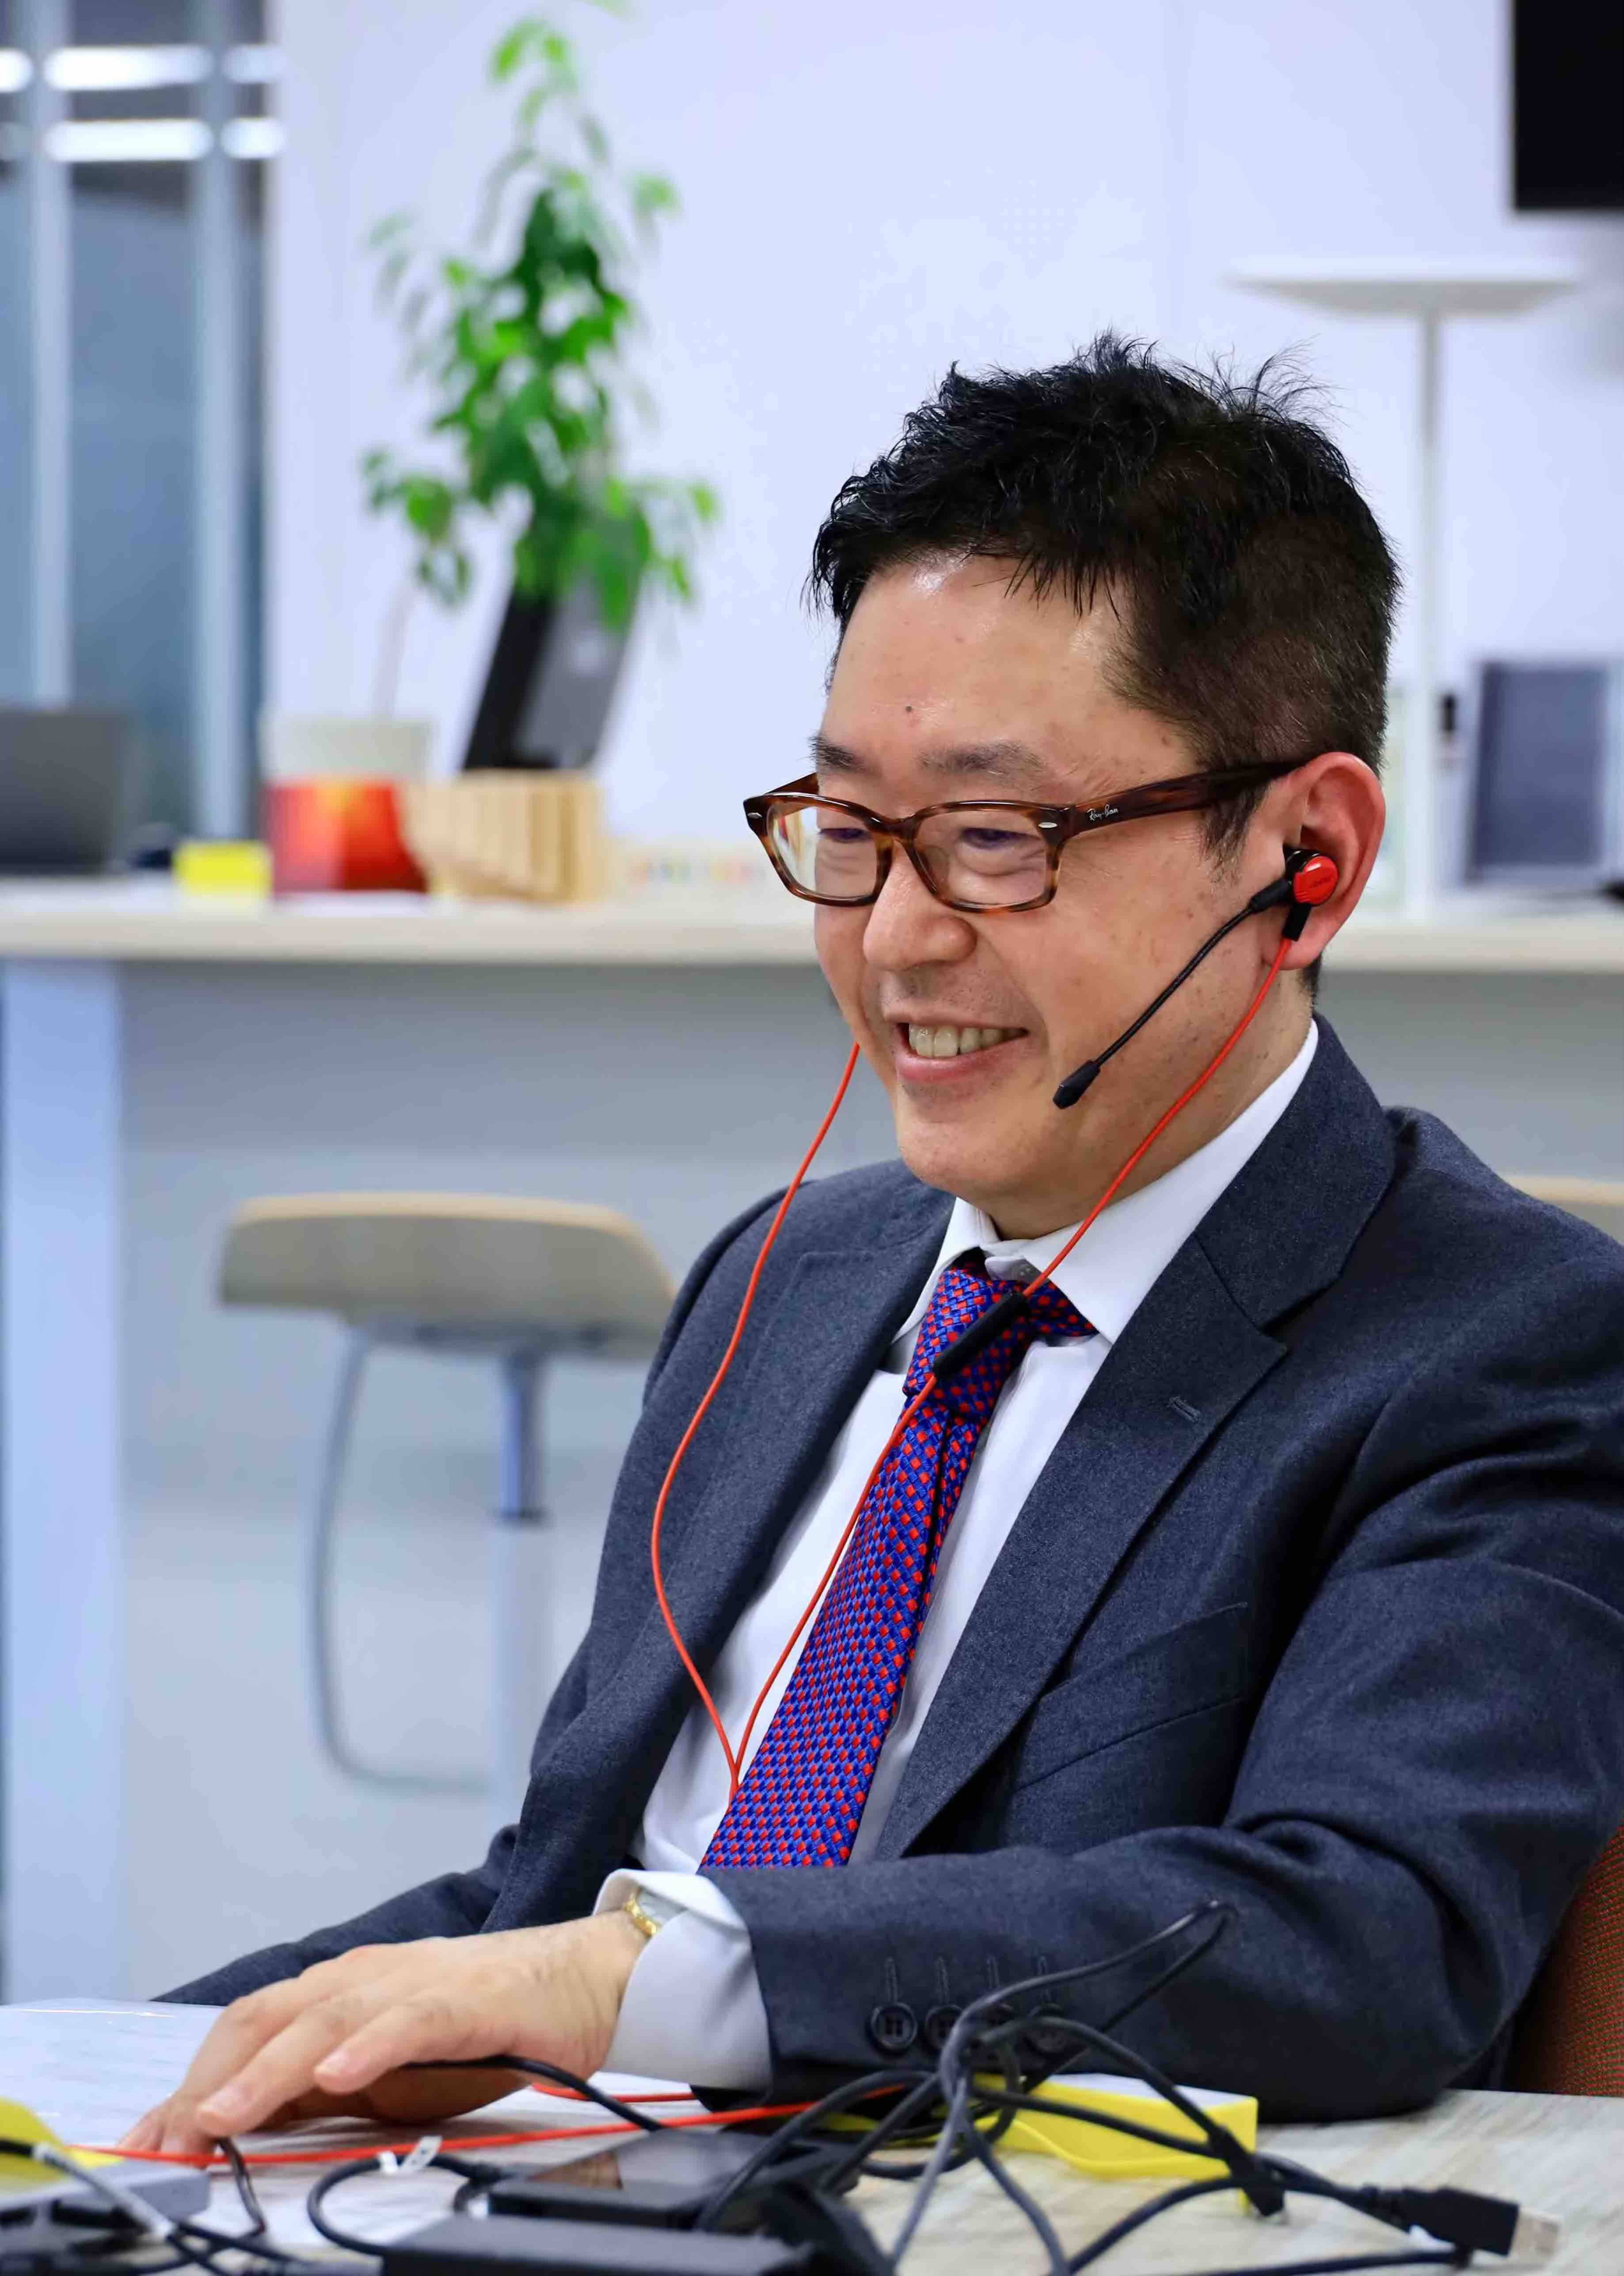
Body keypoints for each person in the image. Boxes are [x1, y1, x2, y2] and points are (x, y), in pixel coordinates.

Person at [128, 337, 1624, 2156]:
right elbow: (550, 1906)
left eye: (995, 837)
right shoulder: (787, 1277)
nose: (895, 936)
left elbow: (1356, 1940)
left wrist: (649, 1977)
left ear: (1303, 857)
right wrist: (104, 2068)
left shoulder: (1499, 1341)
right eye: (848, 828)